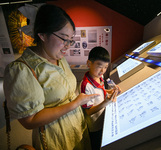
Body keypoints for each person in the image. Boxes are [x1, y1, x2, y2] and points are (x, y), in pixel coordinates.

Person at [3, 4, 99, 150]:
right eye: (64, 39)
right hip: (57, 138)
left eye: (71, 39)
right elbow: (30, 120)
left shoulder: (60, 58)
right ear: (42, 35)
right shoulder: (21, 69)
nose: (68, 46)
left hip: (78, 129)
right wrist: (74, 103)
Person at [80, 46, 121, 150]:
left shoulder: (99, 77)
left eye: (106, 67)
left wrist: (110, 91)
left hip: (103, 119)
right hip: (95, 126)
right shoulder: (86, 86)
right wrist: (106, 102)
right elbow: (88, 112)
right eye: (99, 66)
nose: (102, 70)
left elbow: (100, 91)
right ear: (89, 64)